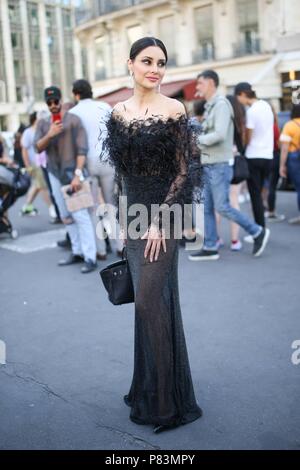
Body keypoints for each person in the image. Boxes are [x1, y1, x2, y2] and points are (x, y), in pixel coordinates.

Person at [101, 36, 203, 433]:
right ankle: (151, 388)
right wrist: (119, 215)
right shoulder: (119, 112)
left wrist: (162, 219)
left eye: (161, 62)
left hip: (165, 215)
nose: (155, 69)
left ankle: (164, 404)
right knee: (152, 306)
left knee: (148, 303)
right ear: (130, 64)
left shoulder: (174, 108)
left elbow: (185, 169)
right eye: (147, 61)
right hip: (133, 218)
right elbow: (120, 172)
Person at [189, 70, 270, 261]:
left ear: (210, 83)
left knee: (222, 206)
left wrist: (195, 141)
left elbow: (219, 134)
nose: (197, 87)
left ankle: (257, 231)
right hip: (209, 163)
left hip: (218, 164)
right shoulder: (211, 106)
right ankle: (210, 247)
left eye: (199, 83)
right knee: (208, 208)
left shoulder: (221, 105)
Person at [34, 86, 97, 273]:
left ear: (61, 101)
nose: (53, 105)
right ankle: (77, 252)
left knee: (80, 215)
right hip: (54, 174)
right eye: (49, 102)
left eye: (56, 102)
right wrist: (50, 134)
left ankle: (90, 257)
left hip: (72, 174)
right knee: (66, 216)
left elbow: (82, 150)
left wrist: (78, 175)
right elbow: (37, 147)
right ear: (46, 103)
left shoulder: (73, 120)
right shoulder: (43, 124)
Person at [70, 79, 124, 260]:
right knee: (112, 205)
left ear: (76, 94)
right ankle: (119, 246)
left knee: (92, 208)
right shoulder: (104, 106)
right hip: (108, 158)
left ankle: (100, 250)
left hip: (87, 162)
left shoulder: (73, 113)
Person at [235, 82, 274, 235]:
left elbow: (248, 136)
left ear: (243, 94)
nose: (239, 102)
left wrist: (243, 146)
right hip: (268, 155)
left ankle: (260, 230)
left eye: (239, 98)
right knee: (261, 191)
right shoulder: (266, 106)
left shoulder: (252, 111)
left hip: (253, 156)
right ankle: (262, 228)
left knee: (255, 195)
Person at [216, 94, 247, 251]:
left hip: (220, 163)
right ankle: (235, 241)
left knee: (217, 205)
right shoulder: (241, 121)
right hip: (235, 164)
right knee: (233, 202)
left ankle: (216, 238)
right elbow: (243, 144)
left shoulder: (221, 119)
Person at [20, 112, 55, 219]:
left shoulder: (42, 129)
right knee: (42, 186)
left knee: (37, 186)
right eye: (39, 118)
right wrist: (28, 166)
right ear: (35, 120)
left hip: (45, 162)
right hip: (35, 163)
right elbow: (24, 149)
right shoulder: (28, 132)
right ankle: (51, 207)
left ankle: (26, 206)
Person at [279, 104, 300, 224]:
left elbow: (284, 149)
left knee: (299, 187)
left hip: (294, 157)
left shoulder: (289, 125)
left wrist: (282, 166)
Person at [265, 104, 285, 222]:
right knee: (272, 186)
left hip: (263, 156)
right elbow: (278, 143)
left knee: (264, 185)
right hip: (274, 156)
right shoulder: (273, 126)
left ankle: (264, 209)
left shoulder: (260, 125)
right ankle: (271, 212)